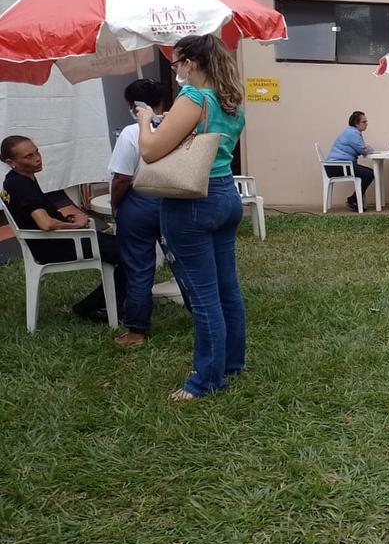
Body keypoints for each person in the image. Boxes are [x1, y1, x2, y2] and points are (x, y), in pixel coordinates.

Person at [137, 34, 246, 400]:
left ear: (192, 62)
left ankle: (206, 380)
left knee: (202, 296)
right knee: (226, 289)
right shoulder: (230, 100)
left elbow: (151, 151)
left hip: (190, 200)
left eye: (177, 62)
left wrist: (145, 121)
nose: (176, 69)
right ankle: (231, 362)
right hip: (225, 194)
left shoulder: (193, 96)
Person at [1, 135, 126, 323]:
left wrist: (67, 218)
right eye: (28, 156)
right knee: (132, 252)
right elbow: (46, 224)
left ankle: (100, 304)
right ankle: (98, 307)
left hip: (54, 242)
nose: (37, 158)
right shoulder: (22, 185)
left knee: (128, 248)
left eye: (37, 152)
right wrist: (75, 225)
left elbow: (40, 216)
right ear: (12, 162)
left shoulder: (14, 179)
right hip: (56, 247)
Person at [109, 79, 174, 348]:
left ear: (133, 106)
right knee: (186, 264)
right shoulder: (177, 126)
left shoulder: (131, 133)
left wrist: (116, 205)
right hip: (174, 200)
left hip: (139, 202)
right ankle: (204, 316)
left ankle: (136, 330)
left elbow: (122, 178)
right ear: (162, 101)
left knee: (138, 267)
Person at [326, 111, 374, 210]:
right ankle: (353, 200)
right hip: (337, 166)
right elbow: (363, 150)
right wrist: (368, 148)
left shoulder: (352, 132)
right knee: (369, 174)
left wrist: (366, 148)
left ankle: (354, 200)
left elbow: (362, 149)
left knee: (370, 173)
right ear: (356, 123)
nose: (366, 124)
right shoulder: (352, 133)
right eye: (364, 122)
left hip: (339, 165)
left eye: (366, 121)